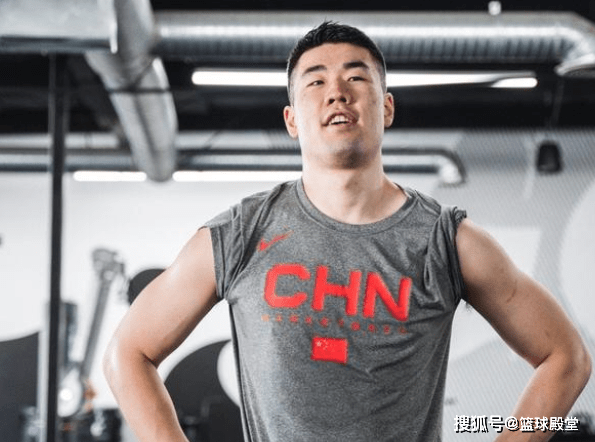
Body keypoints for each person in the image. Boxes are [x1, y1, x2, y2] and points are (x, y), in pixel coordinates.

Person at [103, 22, 591, 442]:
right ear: (292, 120)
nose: (337, 92)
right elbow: (127, 353)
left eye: (356, 77)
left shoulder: (449, 242)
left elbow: (566, 357)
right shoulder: (240, 235)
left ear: (387, 108)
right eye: (315, 82)